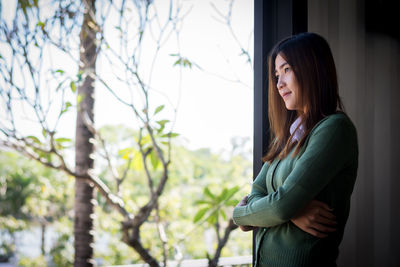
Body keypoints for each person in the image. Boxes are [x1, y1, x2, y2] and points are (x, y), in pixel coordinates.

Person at [233, 32, 358, 267]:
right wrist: (293, 210)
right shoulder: (288, 137)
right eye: (276, 75)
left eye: (286, 70)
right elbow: (259, 191)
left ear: (312, 68)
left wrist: (243, 214)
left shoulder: (334, 129)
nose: (279, 84)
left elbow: (280, 205)